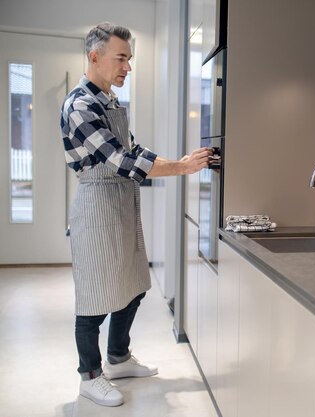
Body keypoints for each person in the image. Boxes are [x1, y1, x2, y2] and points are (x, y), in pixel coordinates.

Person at [60, 22, 212, 407]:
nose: (128, 67)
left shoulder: (108, 100)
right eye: (121, 58)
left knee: (135, 283)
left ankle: (118, 357)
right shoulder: (80, 105)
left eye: (130, 59)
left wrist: (172, 162)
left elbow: (131, 148)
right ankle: (89, 376)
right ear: (95, 57)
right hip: (97, 206)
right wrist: (180, 167)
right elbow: (120, 159)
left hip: (121, 203)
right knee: (94, 298)